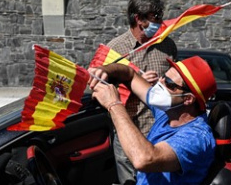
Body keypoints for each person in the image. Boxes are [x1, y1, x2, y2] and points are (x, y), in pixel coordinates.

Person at [90, 0, 177, 184]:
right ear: (139, 19)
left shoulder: (167, 46)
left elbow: (177, 84)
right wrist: (136, 82)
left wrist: (163, 84)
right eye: (155, 18)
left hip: (161, 130)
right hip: (128, 131)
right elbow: (97, 88)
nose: (160, 22)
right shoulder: (115, 49)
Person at [90, 56, 217, 184]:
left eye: (168, 82)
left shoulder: (195, 137)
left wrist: (113, 104)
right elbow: (130, 75)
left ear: (188, 99)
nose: (160, 82)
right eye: (163, 76)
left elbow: (143, 159)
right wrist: (105, 70)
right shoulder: (169, 113)